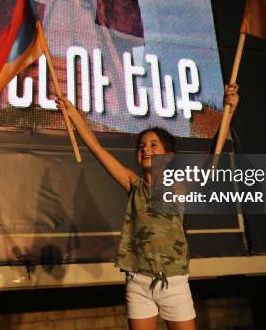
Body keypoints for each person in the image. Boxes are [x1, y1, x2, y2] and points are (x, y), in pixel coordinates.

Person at [56, 84, 240, 330]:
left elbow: (211, 156)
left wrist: (230, 109)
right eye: (142, 146)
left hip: (173, 282)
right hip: (138, 282)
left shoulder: (179, 187)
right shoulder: (133, 184)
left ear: (169, 155)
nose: (145, 149)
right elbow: (97, 149)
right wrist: (73, 114)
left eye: (154, 145)